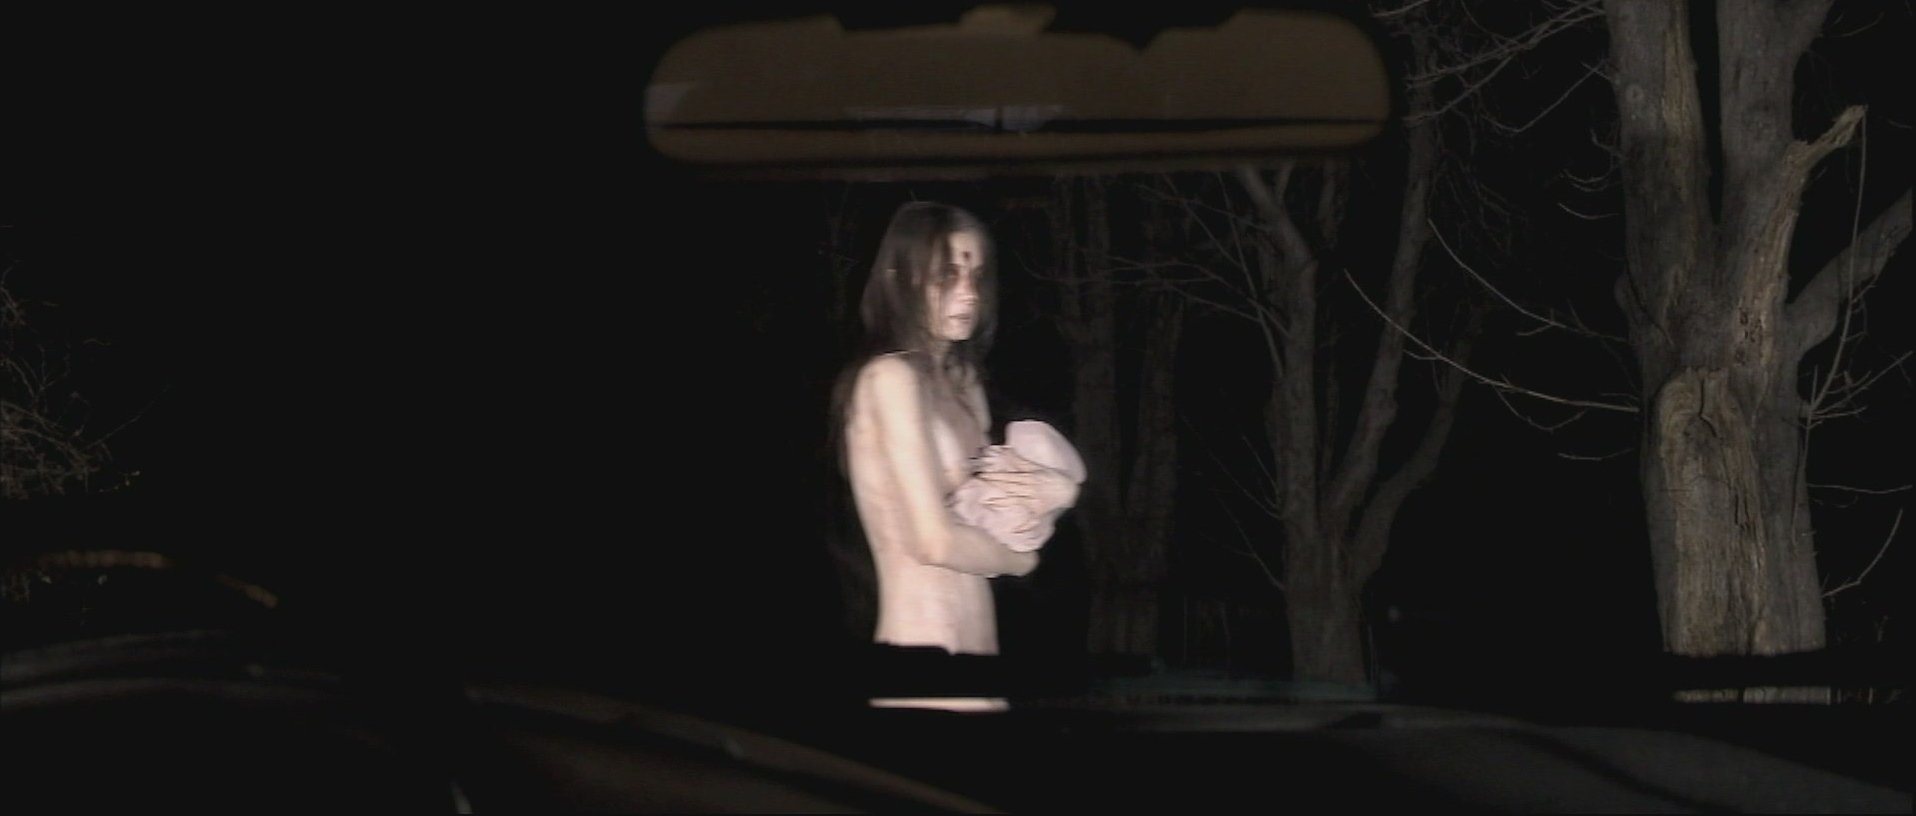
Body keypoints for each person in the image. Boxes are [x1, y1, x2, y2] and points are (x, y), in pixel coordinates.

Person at [830, 201, 1080, 711]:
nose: (969, 293)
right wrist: (1024, 561)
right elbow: (934, 540)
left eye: (976, 275)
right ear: (903, 277)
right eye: (947, 275)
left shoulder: (965, 384)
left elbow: (996, 512)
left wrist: (1061, 493)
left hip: (981, 660)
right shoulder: (888, 379)